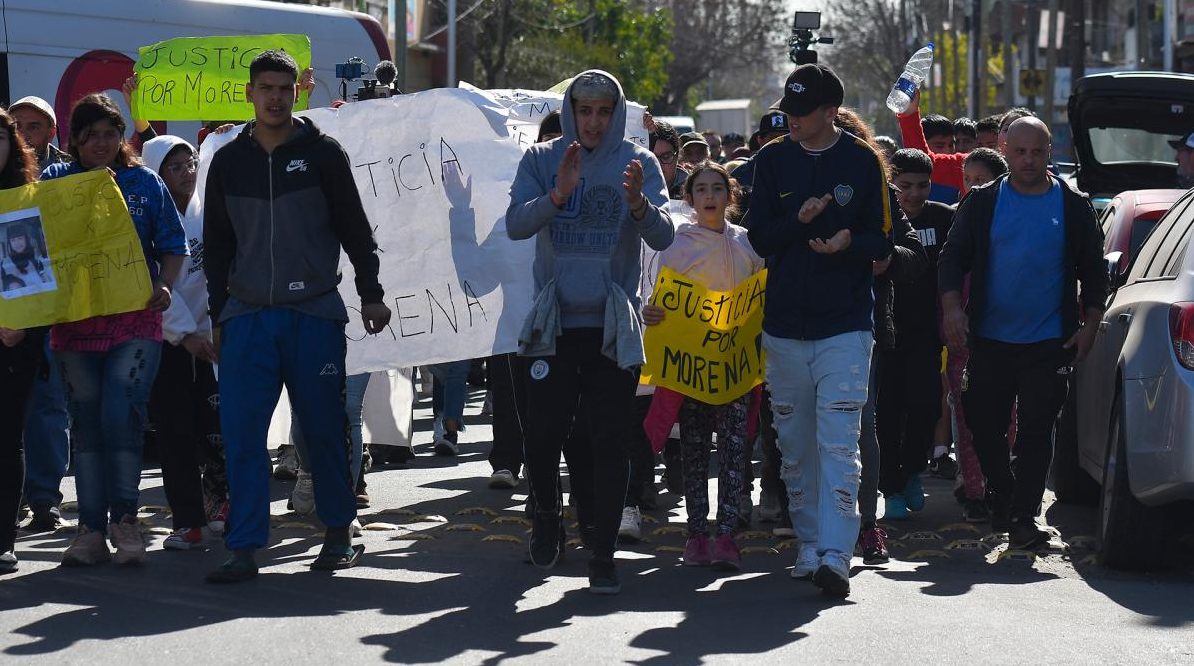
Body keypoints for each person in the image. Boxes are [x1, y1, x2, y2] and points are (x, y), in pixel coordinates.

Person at [202, 50, 391, 582]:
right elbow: (216, 246)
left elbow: (356, 230)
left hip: (313, 314)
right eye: (266, 88)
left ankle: (338, 532)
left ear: (296, 92)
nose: (275, 98)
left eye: (284, 89)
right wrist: (219, 314)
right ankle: (243, 546)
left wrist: (371, 293)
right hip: (246, 317)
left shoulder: (324, 153)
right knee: (242, 436)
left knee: (323, 430)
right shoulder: (228, 161)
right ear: (250, 93)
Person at [506, 69, 673, 594]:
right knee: (543, 434)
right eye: (585, 111)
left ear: (616, 113)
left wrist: (639, 205)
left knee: (610, 440)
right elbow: (515, 225)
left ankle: (602, 552)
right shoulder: (541, 158)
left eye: (604, 111)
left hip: (611, 327)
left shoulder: (639, 162)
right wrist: (558, 194)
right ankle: (547, 520)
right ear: (571, 112)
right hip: (554, 323)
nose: (594, 122)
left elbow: (664, 236)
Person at [746, 63, 891, 598]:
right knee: (795, 447)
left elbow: (883, 240)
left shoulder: (862, 161)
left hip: (845, 326)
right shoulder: (772, 160)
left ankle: (836, 553)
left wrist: (849, 243)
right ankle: (809, 545)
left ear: (832, 112)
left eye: (803, 112)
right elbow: (759, 238)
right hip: (784, 326)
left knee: (839, 441)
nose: (794, 119)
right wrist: (799, 223)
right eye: (789, 109)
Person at [939, 117, 1107, 550]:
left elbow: (1094, 268)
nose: (1028, 160)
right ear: (1005, 150)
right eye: (1019, 152)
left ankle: (1023, 514)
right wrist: (953, 308)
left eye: (1037, 152)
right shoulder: (983, 201)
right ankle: (1003, 491)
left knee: (1036, 429)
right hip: (990, 339)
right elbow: (952, 257)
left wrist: (1090, 323)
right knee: (983, 423)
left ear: (1050, 152)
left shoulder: (1072, 204)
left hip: (1049, 341)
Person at [46, 93, 188, 567]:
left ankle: (125, 521)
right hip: (75, 324)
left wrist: (165, 286)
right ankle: (90, 531)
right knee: (86, 426)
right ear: (74, 139)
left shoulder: (145, 182)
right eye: (91, 136)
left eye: (110, 134)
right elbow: (31, 244)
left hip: (136, 320)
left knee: (121, 416)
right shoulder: (53, 182)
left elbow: (173, 244)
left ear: (122, 137)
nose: (101, 144)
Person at [642, 161, 763, 571]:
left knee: (733, 451)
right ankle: (696, 534)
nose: (709, 196)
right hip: (692, 369)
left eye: (717, 188)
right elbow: (662, 298)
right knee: (693, 451)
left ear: (730, 195)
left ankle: (726, 534)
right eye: (701, 189)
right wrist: (653, 313)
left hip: (734, 368)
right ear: (690, 198)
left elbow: (758, 299)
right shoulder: (676, 245)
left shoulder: (748, 244)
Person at [141, 135, 228, 550]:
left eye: (191, 163)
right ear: (156, 174)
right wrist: (184, 334)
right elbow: (152, 282)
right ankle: (188, 522)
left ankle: (222, 506)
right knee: (176, 433)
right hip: (170, 340)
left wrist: (214, 328)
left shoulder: (208, 210)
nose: (187, 173)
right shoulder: (148, 218)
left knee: (219, 429)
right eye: (174, 167)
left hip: (214, 338)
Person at [876, 149, 953, 519]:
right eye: (905, 186)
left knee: (926, 406)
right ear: (891, 184)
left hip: (927, 333)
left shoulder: (945, 218)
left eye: (923, 185)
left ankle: (911, 472)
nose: (914, 194)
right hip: (884, 333)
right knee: (887, 413)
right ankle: (890, 486)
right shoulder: (879, 216)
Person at [9, 96, 72, 533]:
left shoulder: (69, 175)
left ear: (52, 130)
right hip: (8, 307)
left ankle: (45, 499)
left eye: (34, 126)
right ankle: (9, 499)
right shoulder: (6, 175)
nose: (26, 134)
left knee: (49, 405)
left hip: (51, 307)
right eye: (18, 127)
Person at [947, 147, 1009, 522]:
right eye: (967, 180)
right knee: (967, 417)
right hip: (963, 338)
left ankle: (1004, 489)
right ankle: (975, 492)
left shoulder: (1015, 221)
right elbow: (947, 278)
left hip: (1008, 336)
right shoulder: (956, 221)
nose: (972, 188)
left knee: (1007, 420)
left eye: (980, 180)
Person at [0, 108, 46, 572]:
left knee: (7, 435)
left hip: (16, 336)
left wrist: (19, 323)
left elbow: (37, 269)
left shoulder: (28, 197)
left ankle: (3, 538)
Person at [894, 91, 966, 205]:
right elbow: (922, 159)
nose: (947, 151)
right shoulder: (962, 165)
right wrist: (909, 114)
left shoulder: (974, 164)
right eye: (939, 145)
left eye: (951, 145)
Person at [9, 96, 69, 171]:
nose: (22, 135)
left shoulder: (69, 170)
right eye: (16, 126)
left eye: (33, 127)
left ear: (51, 133)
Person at [0, 224, 49, 290]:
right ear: (10, 243)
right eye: (13, 240)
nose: (17, 243)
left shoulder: (37, 258)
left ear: (26, 239)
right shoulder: (5, 264)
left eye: (20, 238)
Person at [649, 121, 687, 198]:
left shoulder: (692, 191)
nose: (658, 164)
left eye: (665, 157)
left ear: (677, 157)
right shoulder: (628, 190)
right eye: (651, 158)